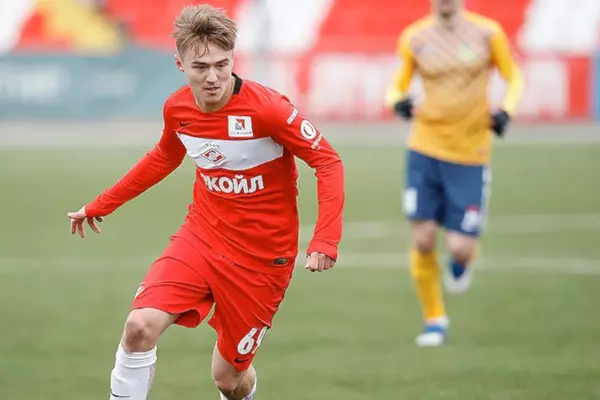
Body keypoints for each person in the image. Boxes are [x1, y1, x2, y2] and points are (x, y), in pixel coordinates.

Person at [67, 5, 345, 399]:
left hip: (262, 258)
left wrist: (325, 239)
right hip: (202, 237)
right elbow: (162, 158)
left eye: (221, 65)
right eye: (200, 67)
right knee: (138, 327)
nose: (212, 77)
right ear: (180, 64)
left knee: (228, 380)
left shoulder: (269, 109)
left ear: (233, 59)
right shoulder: (178, 109)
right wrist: (100, 204)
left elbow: (327, 161)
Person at [385, 0, 523, 347]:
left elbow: (514, 77)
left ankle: (462, 262)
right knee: (422, 239)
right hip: (424, 148)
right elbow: (397, 85)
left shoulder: (487, 33)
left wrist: (506, 110)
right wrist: (397, 102)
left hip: (471, 153)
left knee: (460, 247)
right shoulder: (415, 37)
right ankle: (435, 320)